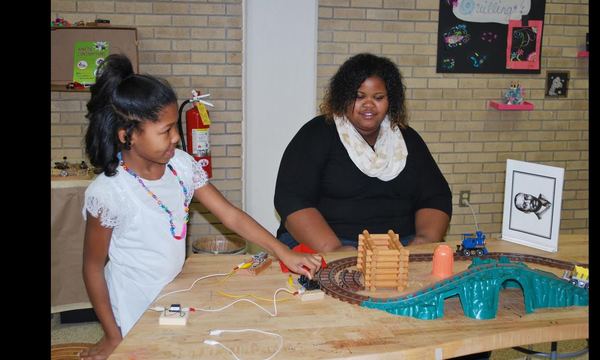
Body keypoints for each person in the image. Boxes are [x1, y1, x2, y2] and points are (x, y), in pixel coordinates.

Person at [79, 54, 322, 360]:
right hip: (130, 308)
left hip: (174, 292)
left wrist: (282, 251)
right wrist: (113, 336)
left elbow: (230, 215)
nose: (176, 137)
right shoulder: (108, 193)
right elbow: (92, 267)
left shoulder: (181, 166)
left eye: (174, 127)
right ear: (127, 136)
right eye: (165, 131)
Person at [273, 53, 452, 252]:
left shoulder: (407, 139)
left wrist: (424, 241)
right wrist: (335, 249)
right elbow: (291, 198)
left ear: (390, 101)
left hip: (400, 246)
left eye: (378, 97)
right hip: (329, 246)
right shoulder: (317, 134)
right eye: (358, 97)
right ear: (343, 97)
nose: (368, 104)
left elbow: (436, 196)